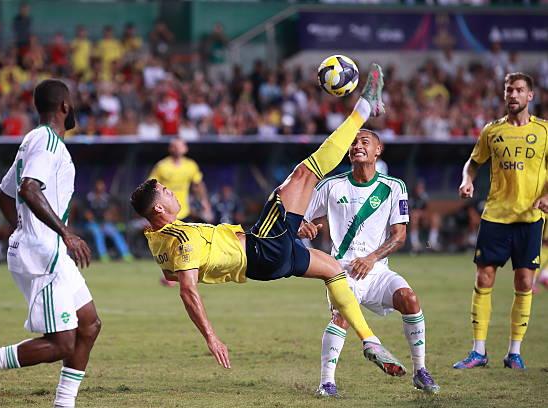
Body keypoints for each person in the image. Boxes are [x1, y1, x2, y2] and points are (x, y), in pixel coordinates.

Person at [130, 64, 407, 379]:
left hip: (270, 260)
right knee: (306, 172)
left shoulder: (158, 240)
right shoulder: (180, 241)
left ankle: (370, 340)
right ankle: (364, 108)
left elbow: (171, 271)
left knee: (332, 269)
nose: (172, 192)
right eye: (166, 192)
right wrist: (211, 337)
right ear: (158, 210)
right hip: (262, 249)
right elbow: (187, 290)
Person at [0, 79, 101, 408]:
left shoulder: (33, 140)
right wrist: (62, 233)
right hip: (45, 254)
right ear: (65, 106)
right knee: (62, 343)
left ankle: (64, 404)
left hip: (48, 250)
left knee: (89, 325)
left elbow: (2, 196)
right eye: (72, 103)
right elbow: (28, 189)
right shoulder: (48, 142)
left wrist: (25, 230)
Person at [300, 130, 439, 396]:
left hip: (377, 271)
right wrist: (303, 228)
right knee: (340, 317)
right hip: (342, 271)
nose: (356, 146)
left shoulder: (394, 187)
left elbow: (399, 236)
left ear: (378, 150)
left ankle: (420, 372)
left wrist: (372, 258)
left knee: (409, 298)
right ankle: (326, 383)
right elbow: (298, 220)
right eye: (353, 143)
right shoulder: (331, 185)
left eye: (364, 142)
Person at [454, 72, 548, 370]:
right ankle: (478, 351)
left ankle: (514, 352)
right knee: (484, 278)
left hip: (530, 218)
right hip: (495, 216)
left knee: (524, 281)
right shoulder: (491, 131)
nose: (513, 95)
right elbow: (473, 163)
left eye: (519, 90)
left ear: (530, 96)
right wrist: (467, 180)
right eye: (509, 90)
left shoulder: (545, 131)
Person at [148, 138, 212, 222]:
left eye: (180, 146)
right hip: (165, 213)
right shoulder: (161, 166)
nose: (177, 148)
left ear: (185, 148)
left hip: (184, 211)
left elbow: (198, 186)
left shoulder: (191, 165)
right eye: (175, 146)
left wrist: (205, 204)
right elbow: (151, 186)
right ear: (170, 148)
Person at [84, 179, 133, 262]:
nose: (100, 188)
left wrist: (106, 221)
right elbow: (87, 214)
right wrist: (96, 223)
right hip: (92, 224)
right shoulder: (89, 198)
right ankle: (103, 255)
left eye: (102, 186)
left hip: (104, 223)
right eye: (98, 186)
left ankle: (125, 254)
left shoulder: (106, 198)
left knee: (114, 231)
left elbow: (108, 213)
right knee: (98, 233)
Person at [408, 180, 441, 252]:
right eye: (419, 188)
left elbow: (428, 209)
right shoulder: (410, 196)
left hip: (422, 219)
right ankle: (415, 245)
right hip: (411, 220)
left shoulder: (424, 196)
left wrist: (424, 215)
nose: (420, 190)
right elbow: (408, 211)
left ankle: (432, 243)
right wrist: (418, 214)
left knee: (435, 217)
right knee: (414, 216)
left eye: (422, 188)